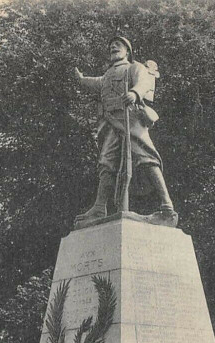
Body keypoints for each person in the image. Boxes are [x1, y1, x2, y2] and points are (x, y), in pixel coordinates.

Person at [73, 36, 175, 226]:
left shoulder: (135, 67)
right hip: (111, 123)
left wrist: (135, 92)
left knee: (147, 158)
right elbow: (94, 83)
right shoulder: (106, 76)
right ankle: (99, 207)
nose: (113, 46)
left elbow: (144, 82)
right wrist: (80, 79)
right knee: (106, 163)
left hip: (131, 119)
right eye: (111, 45)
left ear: (127, 51)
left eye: (118, 45)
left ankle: (167, 206)